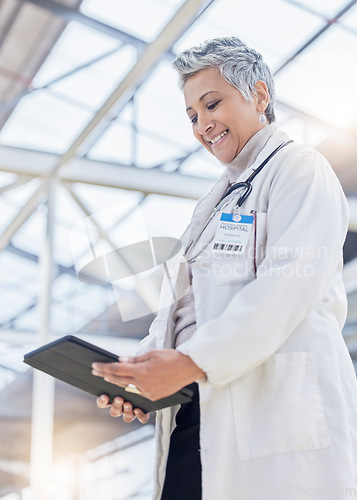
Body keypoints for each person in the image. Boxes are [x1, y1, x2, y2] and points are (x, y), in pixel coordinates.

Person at [91, 37, 357, 500]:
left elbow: (288, 285)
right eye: (192, 116)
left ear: (258, 95)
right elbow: (181, 312)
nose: (202, 125)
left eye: (212, 104)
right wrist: (138, 374)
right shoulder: (214, 205)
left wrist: (193, 360)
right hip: (197, 407)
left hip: (272, 409)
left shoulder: (299, 169)